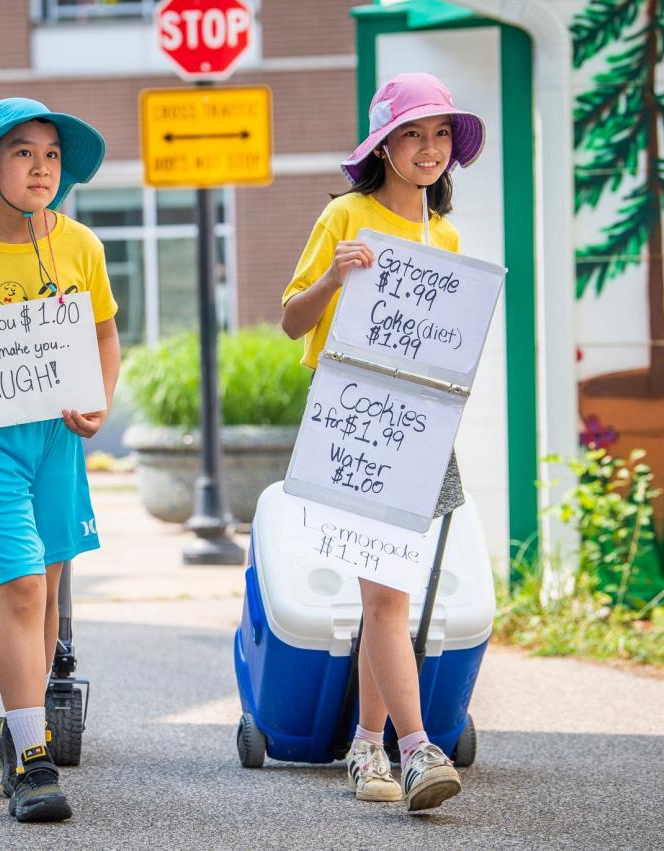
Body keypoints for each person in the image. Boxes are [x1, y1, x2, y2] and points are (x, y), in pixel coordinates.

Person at [280, 72, 485, 812]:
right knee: (389, 595)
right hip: (353, 422)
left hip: (421, 429)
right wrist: (334, 279)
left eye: (439, 134)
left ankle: (366, 743)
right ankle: (417, 747)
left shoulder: (448, 236)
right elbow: (291, 321)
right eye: (412, 134)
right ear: (384, 146)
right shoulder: (346, 216)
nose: (428, 149)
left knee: (386, 595)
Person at [0, 98, 120, 823]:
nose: (40, 167)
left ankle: (20, 727)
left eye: (50, 155)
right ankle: (33, 764)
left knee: (46, 585)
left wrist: (98, 402)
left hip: (58, 438)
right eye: (21, 153)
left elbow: (104, 337)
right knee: (20, 590)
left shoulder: (81, 245)